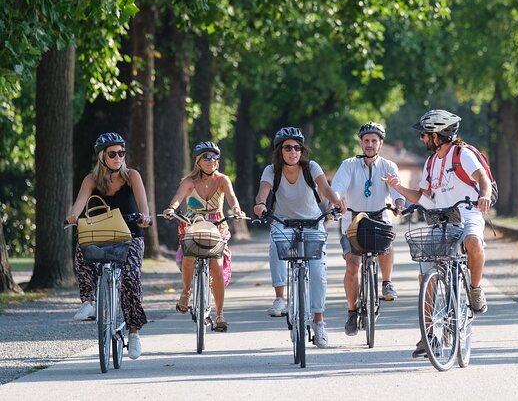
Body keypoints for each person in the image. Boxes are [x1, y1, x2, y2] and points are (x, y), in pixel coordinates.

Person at [382, 109, 493, 357]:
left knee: (474, 242)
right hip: (442, 219)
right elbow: (423, 196)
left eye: (425, 134)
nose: (422, 138)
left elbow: (482, 177)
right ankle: (429, 334)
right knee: (425, 273)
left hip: (468, 214)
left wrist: (484, 195)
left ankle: (475, 289)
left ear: (438, 135)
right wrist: (397, 187)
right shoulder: (431, 162)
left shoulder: (461, 155)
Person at [253, 127, 345, 348]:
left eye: (297, 147)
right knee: (275, 244)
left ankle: (319, 322)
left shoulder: (311, 167)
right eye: (287, 148)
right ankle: (280, 298)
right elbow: (263, 192)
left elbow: (326, 188)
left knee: (317, 271)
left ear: (302, 150)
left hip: (313, 223)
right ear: (279, 150)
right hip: (283, 222)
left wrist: (337, 201)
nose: (293, 151)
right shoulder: (271, 171)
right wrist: (260, 205)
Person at [66, 133, 151, 360]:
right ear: (102, 156)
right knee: (82, 248)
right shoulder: (92, 180)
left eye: (121, 153)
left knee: (131, 277)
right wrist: (73, 216)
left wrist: (146, 216)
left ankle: (133, 333)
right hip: (101, 234)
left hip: (130, 235)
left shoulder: (132, 176)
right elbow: (79, 204)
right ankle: (89, 302)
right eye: (112, 154)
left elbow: (144, 205)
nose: (118, 157)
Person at [330, 122, 405, 336]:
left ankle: (387, 283)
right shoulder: (349, 165)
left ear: (381, 143)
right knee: (352, 264)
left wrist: (399, 204)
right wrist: (335, 202)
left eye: (374, 141)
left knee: (387, 241)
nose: (370, 145)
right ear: (361, 143)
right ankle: (352, 312)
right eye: (366, 141)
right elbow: (337, 188)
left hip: (380, 220)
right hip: (352, 223)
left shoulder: (388, 166)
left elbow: (397, 188)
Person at [162, 141, 245, 333]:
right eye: (206, 157)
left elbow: (232, 199)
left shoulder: (222, 180)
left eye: (215, 157)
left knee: (216, 264)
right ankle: (186, 292)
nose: (212, 161)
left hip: (217, 226)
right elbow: (177, 198)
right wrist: (171, 209)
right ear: (198, 161)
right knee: (189, 257)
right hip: (193, 224)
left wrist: (237, 210)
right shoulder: (189, 181)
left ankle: (220, 314)